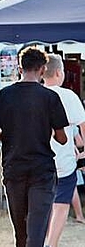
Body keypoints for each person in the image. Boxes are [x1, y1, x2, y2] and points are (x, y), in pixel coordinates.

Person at [0, 47, 68, 247]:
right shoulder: (50, 98)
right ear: (42, 69)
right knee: (37, 231)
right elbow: (62, 138)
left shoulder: (2, 95)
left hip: (14, 168)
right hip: (42, 170)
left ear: (19, 68)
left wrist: (10, 132)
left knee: (20, 233)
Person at [42, 54, 85, 247]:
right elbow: (83, 127)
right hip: (63, 161)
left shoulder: (35, 95)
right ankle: (52, 244)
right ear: (59, 73)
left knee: (42, 205)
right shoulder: (69, 96)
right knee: (60, 206)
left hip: (39, 161)